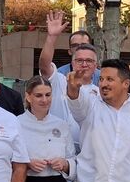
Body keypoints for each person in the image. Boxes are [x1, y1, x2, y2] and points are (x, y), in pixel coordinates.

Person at [39, 11, 99, 144]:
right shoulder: (59, 80)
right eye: (79, 61)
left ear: (96, 65)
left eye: (89, 61)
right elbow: (44, 66)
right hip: (56, 147)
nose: (84, 65)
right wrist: (52, 37)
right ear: (72, 63)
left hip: (87, 152)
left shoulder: (101, 91)